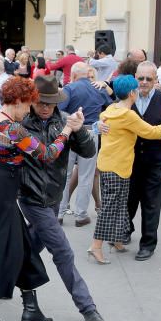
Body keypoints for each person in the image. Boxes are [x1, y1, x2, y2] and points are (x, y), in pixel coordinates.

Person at [0, 77, 78, 321]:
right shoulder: (14, 129)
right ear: (17, 101)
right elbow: (47, 154)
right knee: (11, 247)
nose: (29, 110)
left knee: (4, 244)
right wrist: (66, 131)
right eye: (28, 105)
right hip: (2, 192)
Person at [18, 77, 104, 321]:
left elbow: (88, 152)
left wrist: (81, 131)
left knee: (30, 249)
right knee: (63, 251)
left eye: (50, 102)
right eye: (41, 102)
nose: (45, 107)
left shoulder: (65, 120)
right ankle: (87, 307)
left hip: (54, 197)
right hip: (32, 198)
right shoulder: (22, 123)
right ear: (33, 101)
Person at [88, 75, 161, 265]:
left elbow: (101, 119)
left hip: (109, 165)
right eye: (136, 88)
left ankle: (118, 240)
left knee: (121, 204)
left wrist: (99, 125)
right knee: (111, 208)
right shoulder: (128, 115)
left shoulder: (111, 109)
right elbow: (153, 132)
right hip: (118, 166)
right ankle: (95, 246)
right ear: (131, 93)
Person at [59, 62, 110, 225]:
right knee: (86, 176)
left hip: (71, 130)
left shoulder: (69, 89)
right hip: (91, 132)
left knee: (64, 174)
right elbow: (110, 105)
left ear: (73, 75)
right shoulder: (98, 88)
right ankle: (81, 215)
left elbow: (59, 111)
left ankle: (59, 213)